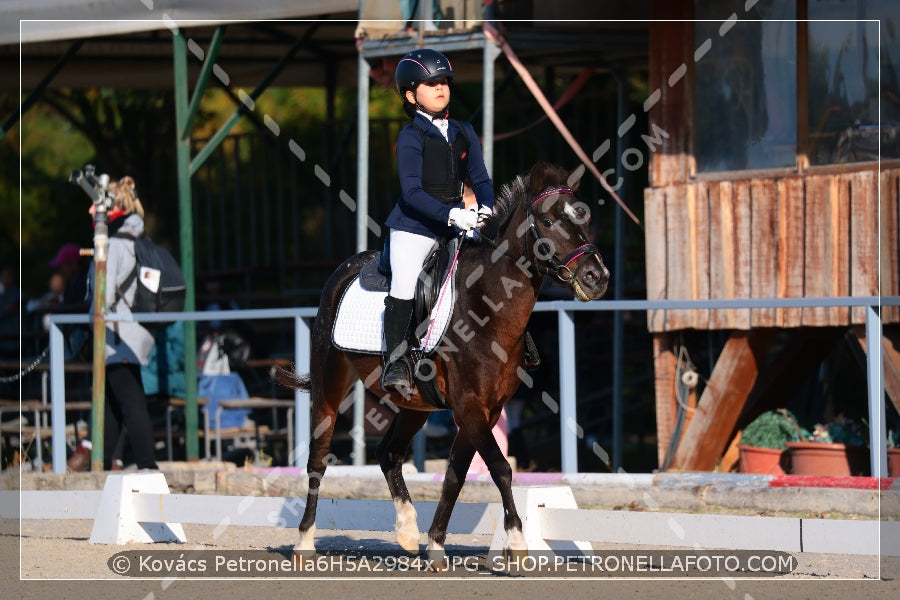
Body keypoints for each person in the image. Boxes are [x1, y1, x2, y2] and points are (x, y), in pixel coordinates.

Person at [380, 48, 495, 392]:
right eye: (431, 84)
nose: (441, 88)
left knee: (495, 266)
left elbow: (482, 179)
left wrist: (485, 208)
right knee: (405, 281)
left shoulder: (464, 130)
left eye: (444, 82)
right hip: (414, 226)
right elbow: (412, 193)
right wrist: (451, 214)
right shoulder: (410, 136)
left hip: (460, 220)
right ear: (412, 95)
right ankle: (396, 362)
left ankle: (519, 340)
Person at [70, 176, 158, 471]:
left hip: (118, 336)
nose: (91, 212)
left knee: (131, 403)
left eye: (96, 205)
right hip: (125, 335)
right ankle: (105, 464)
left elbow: (102, 298)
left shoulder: (117, 245)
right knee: (110, 404)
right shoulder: (133, 241)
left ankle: (147, 467)